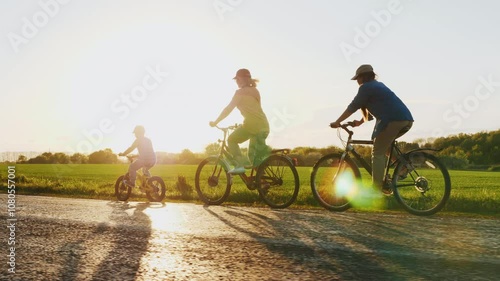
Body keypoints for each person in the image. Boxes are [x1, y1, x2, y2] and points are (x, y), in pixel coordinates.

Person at [330, 64, 414, 194]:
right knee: (384, 146)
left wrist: (337, 121)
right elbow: (370, 111)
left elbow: (353, 106)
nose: (357, 81)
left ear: (363, 77)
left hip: (393, 120)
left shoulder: (366, 87)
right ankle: (402, 165)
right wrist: (359, 122)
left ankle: (377, 188)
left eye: (357, 78)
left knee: (377, 152)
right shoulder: (378, 85)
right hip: (405, 119)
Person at [210, 68, 270, 174]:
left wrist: (216, 121)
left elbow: (228, 109)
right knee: (253, 157)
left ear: (241, 79)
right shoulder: (255, 91)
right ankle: (263, 182)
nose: (236, 82)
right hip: (264, 125)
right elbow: (255, 110)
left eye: (237, 79)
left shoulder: (240, 93)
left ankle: (239, 165)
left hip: (251, 125)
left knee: (232, 140)